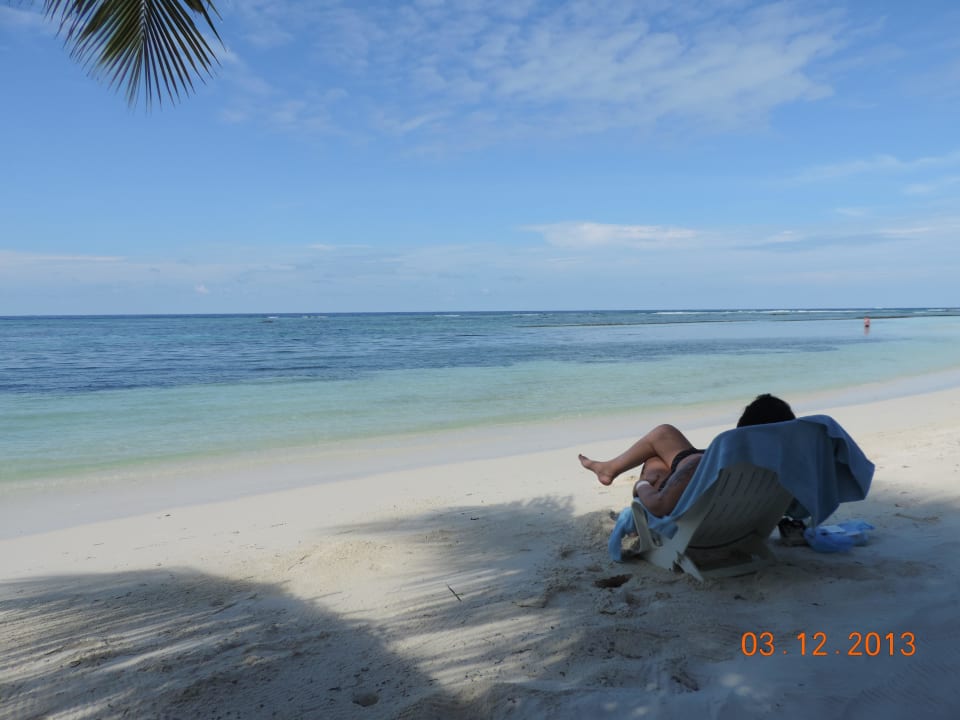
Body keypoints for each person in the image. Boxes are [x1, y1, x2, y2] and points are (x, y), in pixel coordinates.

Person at [578, 394, 796, 518]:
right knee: (664, 434)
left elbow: (660, 507)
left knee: (656, 457)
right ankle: (609, 469)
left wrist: (641, 484)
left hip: (698, 521)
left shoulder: (705, 466)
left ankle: (609, 470)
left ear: (742, 428)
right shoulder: (787, 464)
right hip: (741, 523)